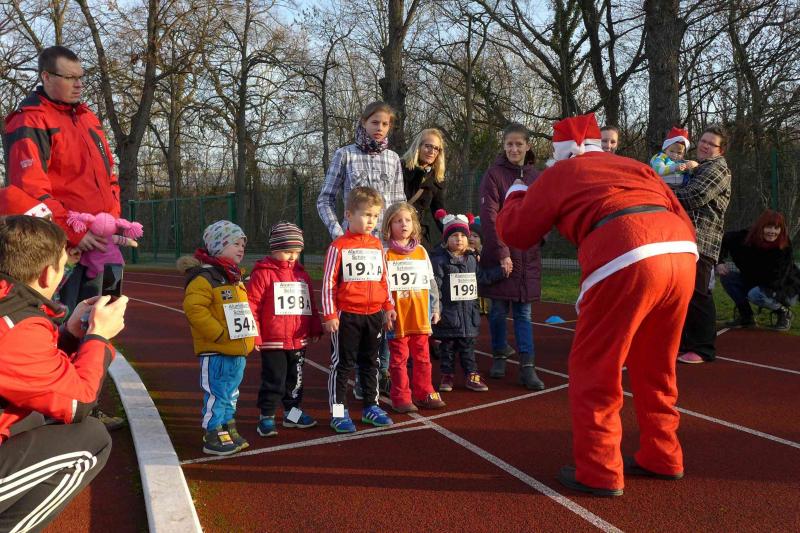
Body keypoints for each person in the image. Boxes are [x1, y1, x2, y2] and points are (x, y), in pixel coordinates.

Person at [497, 113, 697, 497]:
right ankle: (664, 454)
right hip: (681, 251)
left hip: (625, 251)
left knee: (596, 366)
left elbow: (516, 232)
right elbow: (679, 212)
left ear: (563, 153)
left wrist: (516, 193)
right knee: (657, 363)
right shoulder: (636, 165)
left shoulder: (561, 172)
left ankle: (600, 469)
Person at [0, 215, 127, 532]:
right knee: (92, 439)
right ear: (47, 273)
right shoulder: (17, 327)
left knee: (32, 417)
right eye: (64, 265)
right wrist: (98, 337)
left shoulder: (9, 305)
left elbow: (30, 373)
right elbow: (78, 401)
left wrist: (69, 335)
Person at [4, 46, 120, 309]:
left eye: (80, 77)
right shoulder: (30, 119)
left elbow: (110, 177)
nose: (79, 84)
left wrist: (110, 221)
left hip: (102, 242)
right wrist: (73, 232)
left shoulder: (88, 118)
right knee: (63, 321)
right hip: (64, 249)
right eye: (70, 78)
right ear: (46, 77)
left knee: (106, 312)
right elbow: (29, 189)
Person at [317, 101, 406, 395]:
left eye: (385, 124)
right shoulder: (345, 155)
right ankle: (347, 377)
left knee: (381, 310)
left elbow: (398, 203)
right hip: (352, 249)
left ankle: (378, 375)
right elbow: (325, 199)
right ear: (363, 122)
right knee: (353, 310)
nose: (380, 128)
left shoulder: (393, 159)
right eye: (375, 122)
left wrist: (398, 238)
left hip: (382, 248)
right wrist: (338, 232)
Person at [321, 187, 397, 433]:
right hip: (347, 315)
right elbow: (328, 283)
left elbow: (384, 279)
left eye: (375, 216)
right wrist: (330, 314)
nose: (371, 221)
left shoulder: (377, 245)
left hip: (374, 315)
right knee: (342, 364)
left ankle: (371, 406)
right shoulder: (338, 246)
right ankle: (338, 412)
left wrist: (388, 306)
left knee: (371, 362)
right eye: (366, 215)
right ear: (349, 215)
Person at [178, 220, 255, 455]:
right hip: (217, 350)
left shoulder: (235, 278)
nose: (241, 248)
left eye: (243, 245)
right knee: (217, 393)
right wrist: (218, 333)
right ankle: (212, 433)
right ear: (218, 247)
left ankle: (227, 426)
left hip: (237, 350)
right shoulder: (204, 278)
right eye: (235, 244)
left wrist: (251, 336)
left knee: (232, 394)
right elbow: (194, 308)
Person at [479, 123, 544, 390]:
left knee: (523, 312)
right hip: (501, 253)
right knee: (497, 311)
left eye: (519, 144)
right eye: (509, 144)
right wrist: (502, 252)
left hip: (528, 255)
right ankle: (499, 354)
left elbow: (545, 212)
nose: (514, 149)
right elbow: (489, 216)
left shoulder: (537, 177)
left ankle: (528, 367)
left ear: (528, 145)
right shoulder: (493, 175)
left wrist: (538, 239)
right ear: (503, 146)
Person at [247, 222, 322, 437]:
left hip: (298, 339)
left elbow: (309, 304)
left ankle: (292, 413)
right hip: (273, 340)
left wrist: (315, 327)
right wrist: (255, 334)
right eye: (288, 252)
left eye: (297, 252)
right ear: (275, 249)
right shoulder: (263, 274)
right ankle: (267, 416)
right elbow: (252, 305)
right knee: (274, 379)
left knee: (295, 380)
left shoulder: (302, 275)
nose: (292, 257)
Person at [673, 126, 732, 364]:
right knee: (685, 293)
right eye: (703, 141)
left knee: (699, 293)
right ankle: (687, 342)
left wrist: (658, 191)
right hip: (686, 238)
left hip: (702, 242)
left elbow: (694, 196)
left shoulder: (718, 169)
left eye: (711, 144)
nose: (705, 146)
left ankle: (704, 348)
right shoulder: (698, 167)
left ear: (721, 150)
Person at [382, 202, 446, 413]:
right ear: (389, 226)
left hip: (420, 316)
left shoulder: (421, 251)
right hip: (398, 317)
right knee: (398, 359)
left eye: (408, 220)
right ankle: (400, 396)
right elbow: (381, 285)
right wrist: (384, 311)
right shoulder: (384, 253)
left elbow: (431, 281)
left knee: (423, 357)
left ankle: (424, 392)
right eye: (398, 221)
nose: (404, 224)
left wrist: (435, 307)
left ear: (414, 224)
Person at [431, 211, 492, 393]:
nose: (459, 239)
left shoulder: (473, 259)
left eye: (463, 236)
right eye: (454, 236)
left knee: (468, 350)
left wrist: (500, 273)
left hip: (468, 317)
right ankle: (447, 375)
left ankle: (472, 375)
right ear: (445, 239)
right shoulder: (439, 261)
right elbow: (436, 288)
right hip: (448, 316)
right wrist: (437, 309)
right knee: (447, 350)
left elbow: (482, 277)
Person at [717, 210, 798, 330]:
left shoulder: (784, 246)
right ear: (760, 227)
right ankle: (746, 316)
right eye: (768, 227)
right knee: (728, 278)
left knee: (755, 294)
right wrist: (719, 262)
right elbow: (722, 240)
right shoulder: (744, 238)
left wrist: (758, 288)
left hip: (783, 287)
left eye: (776, 228)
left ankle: (784, 312)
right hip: (754, 281)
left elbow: (779, 278)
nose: (772, 232)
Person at [402, 128, 447, 245]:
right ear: (418, 146)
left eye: (436, 148)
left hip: (418, 232)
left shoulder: (436, 178)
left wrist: (453, 232)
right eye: (428, 146)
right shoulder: (400, 168)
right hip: (397, 229)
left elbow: (439, 212)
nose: (432, 151)